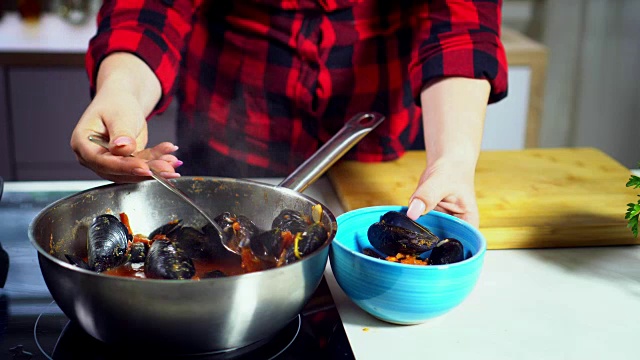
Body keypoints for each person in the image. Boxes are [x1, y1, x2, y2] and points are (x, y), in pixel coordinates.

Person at [70, 0, 508, 228]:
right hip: (228, 138)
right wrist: (122, 90)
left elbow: (460, 22)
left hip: (379, 161)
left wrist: (452, 157)